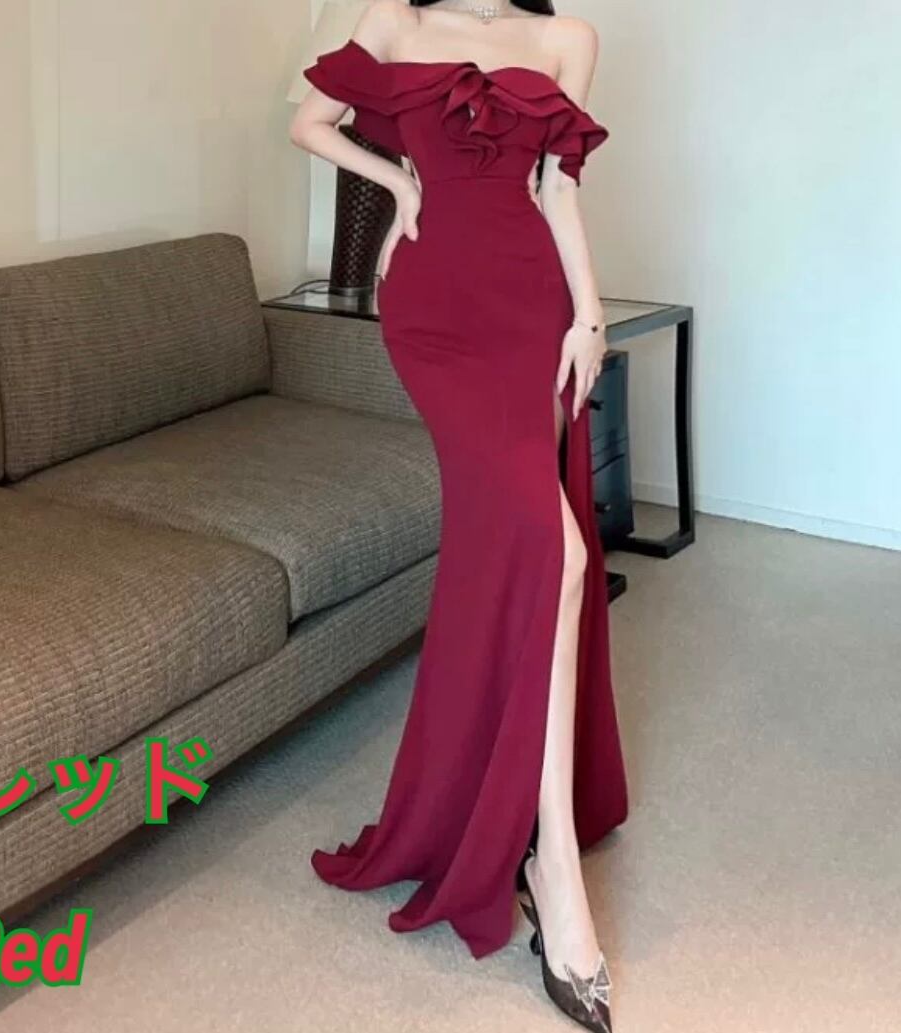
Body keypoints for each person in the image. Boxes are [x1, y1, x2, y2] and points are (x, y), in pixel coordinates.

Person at [289, 1, 629, 1028]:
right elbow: (307, 120)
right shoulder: (392, 21)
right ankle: (551, 863)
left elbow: (558, 188)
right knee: (554, 553)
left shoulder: (567, 40)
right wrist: (401, 185)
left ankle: (539, 838)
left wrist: (590, 314)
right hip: (433, 305)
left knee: (542, 555)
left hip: (531, 302)